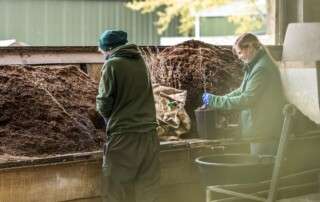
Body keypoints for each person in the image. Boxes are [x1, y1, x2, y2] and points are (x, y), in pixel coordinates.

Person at [96, 30, 160, 202]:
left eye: (101, 50)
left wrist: (106, 118)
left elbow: (104, 103)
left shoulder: (112, 65)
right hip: (149, 135)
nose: (101, 53)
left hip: (125, 138)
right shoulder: (140, 61)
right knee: (147, 189)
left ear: (108, 48)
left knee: (115, 188)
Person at [202, 33, 286, 155]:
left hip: (264, 130)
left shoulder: (261, 69)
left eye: (240, 52)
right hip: (261, 129)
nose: (239, 57)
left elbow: (247, 99)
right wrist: (219, 99)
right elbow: (242, 90)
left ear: (250, 47)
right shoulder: (254, 65)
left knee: (262, 168)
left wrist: (215, 101)